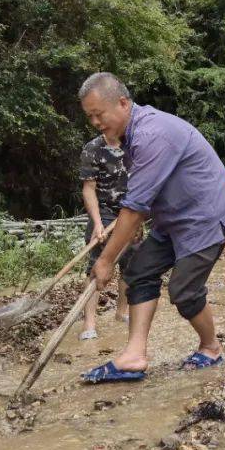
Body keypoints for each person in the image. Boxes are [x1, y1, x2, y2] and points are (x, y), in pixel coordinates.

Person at [77, 72, 225, 383]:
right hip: (173, 219)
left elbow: (134, 209)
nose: (95, 123)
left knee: (183, 290)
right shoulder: (132, 135)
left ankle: (211, 347)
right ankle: (134, 355)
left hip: (204, 218)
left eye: (98, 114)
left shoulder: (153, 134)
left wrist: (105, 261)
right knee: (139, 271)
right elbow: (140, 200)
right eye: (90, 117)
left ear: (122, 102)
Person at [78, 132, 133, 340]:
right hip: (104, 213)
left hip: (131, 212)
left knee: (130, 265)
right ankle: (89, 324)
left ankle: (122, 312)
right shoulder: (93, 148)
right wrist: (98, 222)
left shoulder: (134, 145)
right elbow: (88, 188)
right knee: (97, 265)